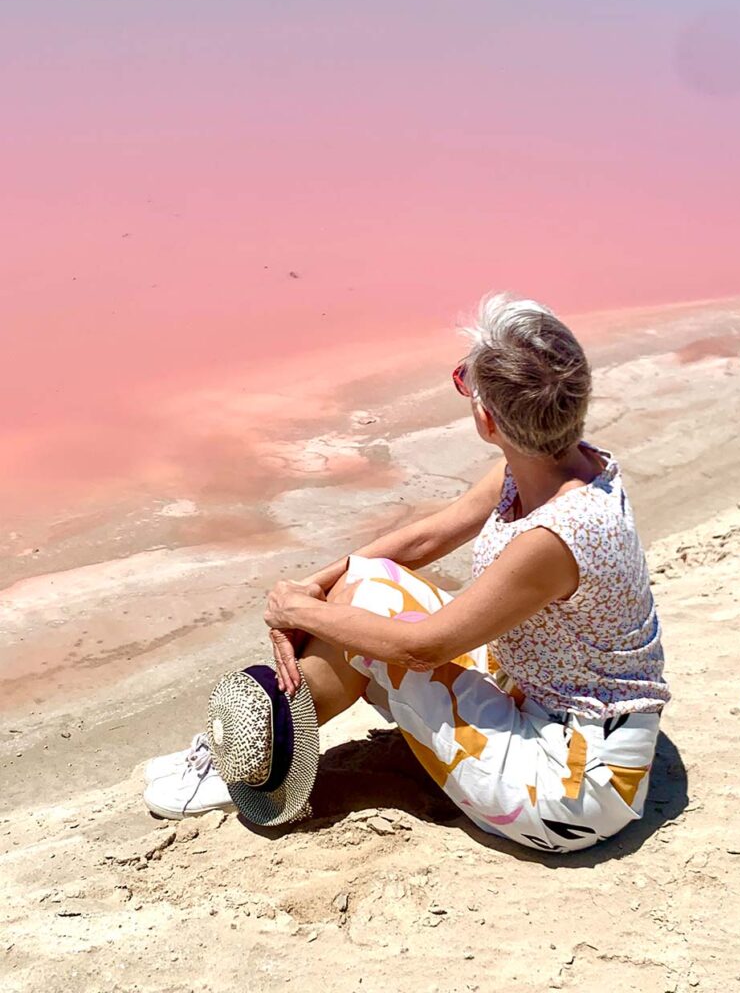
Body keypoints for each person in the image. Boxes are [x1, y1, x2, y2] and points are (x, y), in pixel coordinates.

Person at [144, 293, 670, 852]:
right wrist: (316, 587)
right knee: (367, 585)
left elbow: (422, 649)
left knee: (372, 623)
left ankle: (256, 751)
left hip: (571, 784)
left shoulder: (554, 536)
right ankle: (261, 738)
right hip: (541, 695)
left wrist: (299, 612)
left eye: (466, 381)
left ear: (487, 419)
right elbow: (427, 537)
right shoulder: (552, 465)